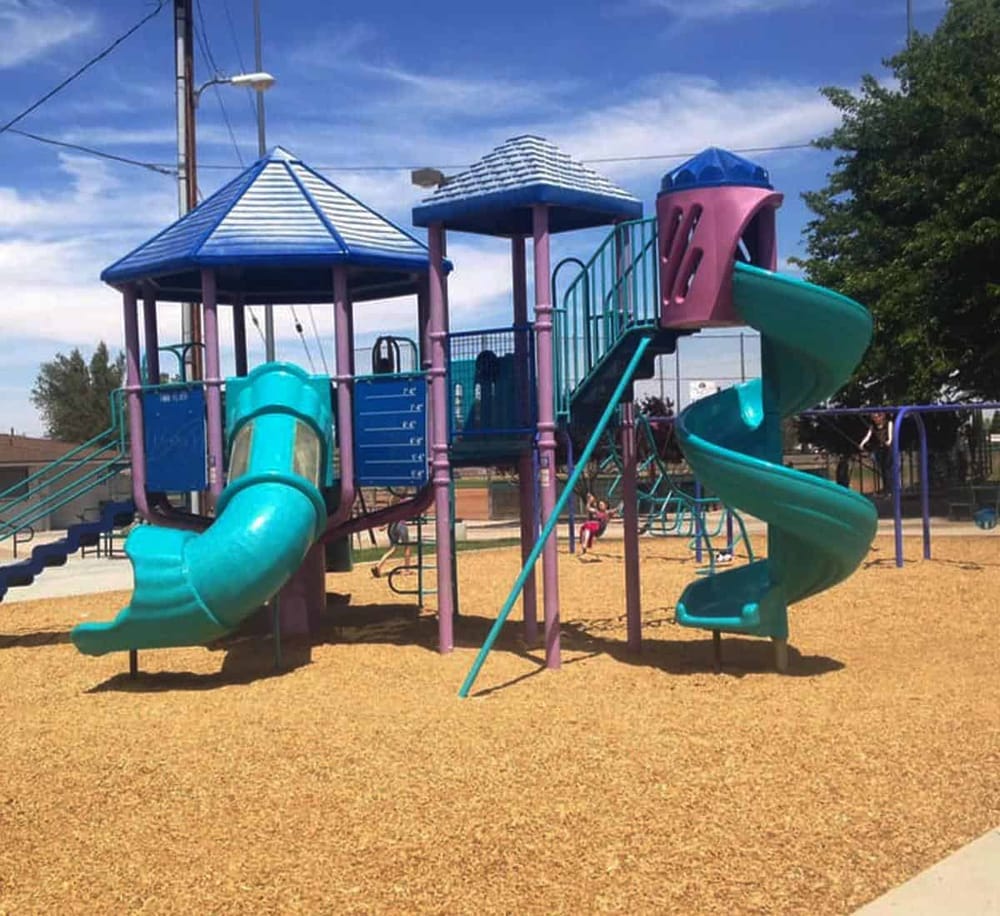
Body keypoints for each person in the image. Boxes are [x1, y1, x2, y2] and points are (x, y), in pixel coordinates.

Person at [859, 411, 893, 494]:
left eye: (876, 418)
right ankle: (886, 489)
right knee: (882, 469)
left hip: (887, 449)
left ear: (881, 417)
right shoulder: (873, 426)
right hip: (879, 448)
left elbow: (890, 435)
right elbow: (868, 435)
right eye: (873, 418)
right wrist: (862, 443)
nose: (875, 420)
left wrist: (889, 441)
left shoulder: (888, 423)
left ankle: (889, 489)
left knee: (887, 469)